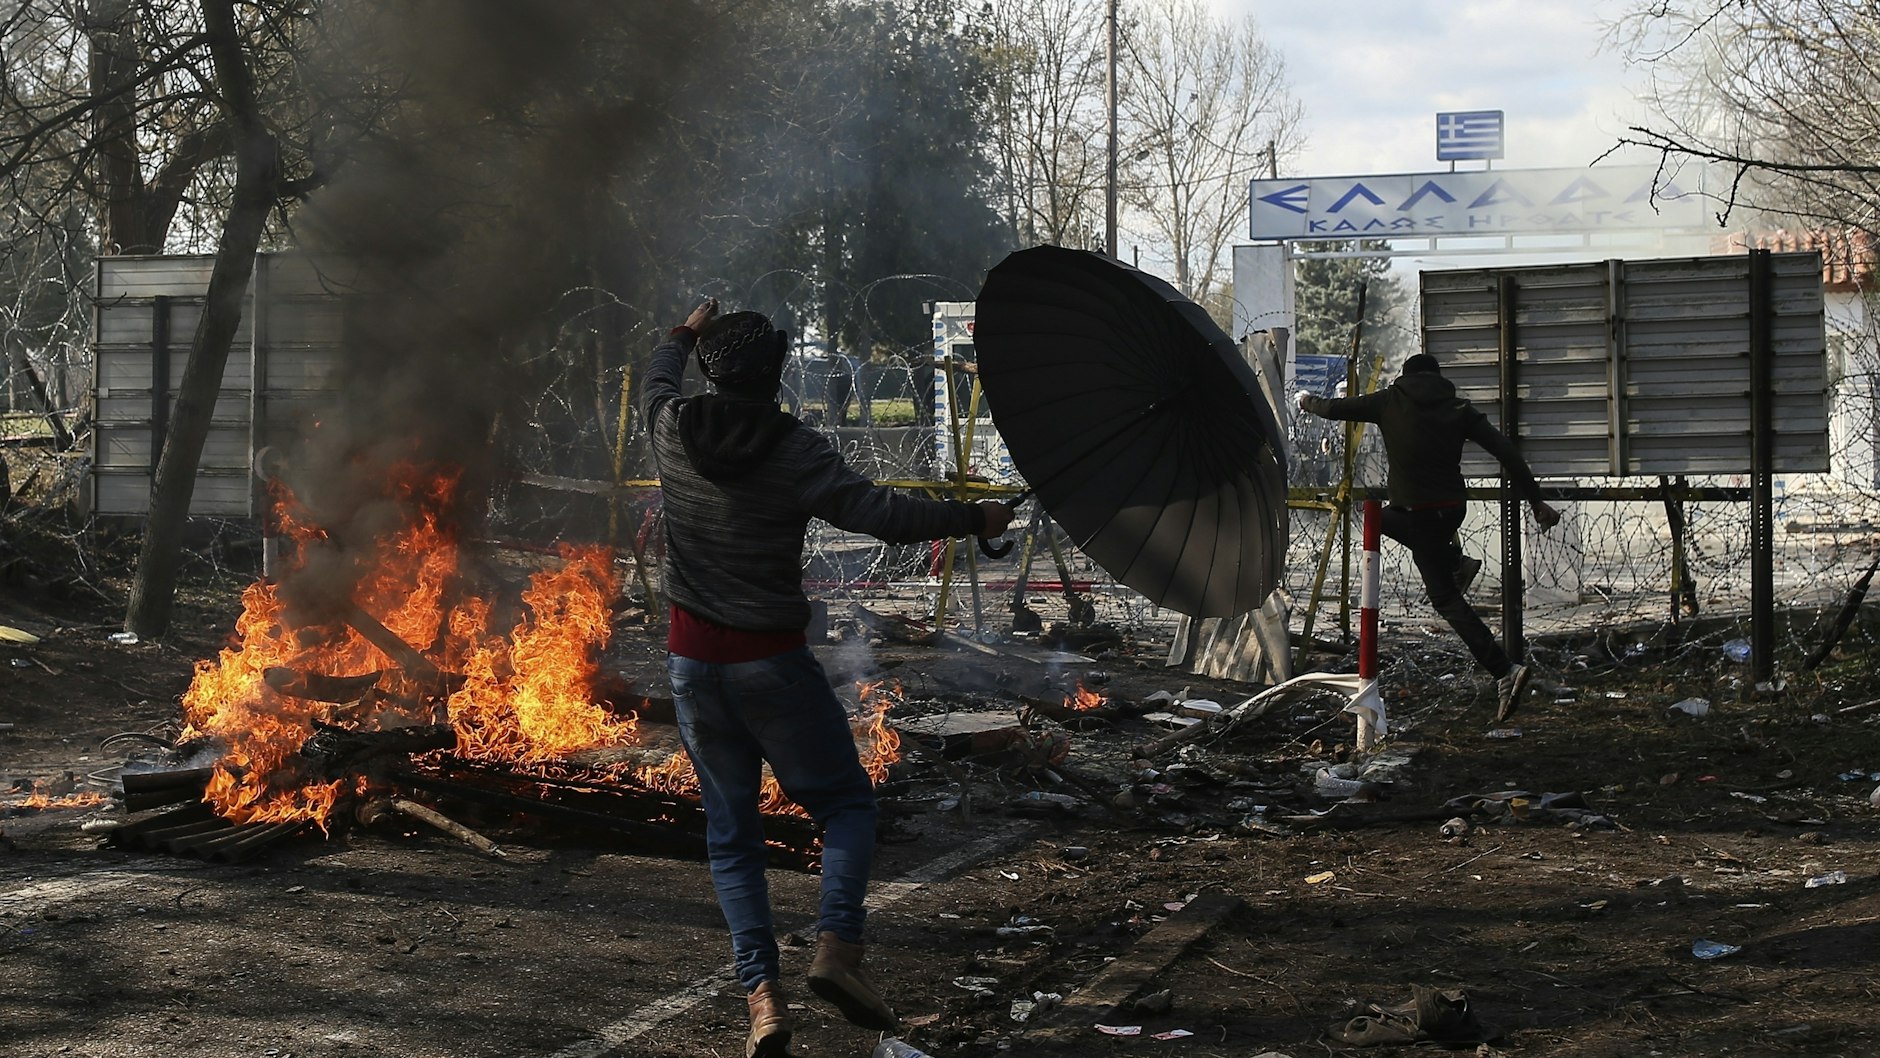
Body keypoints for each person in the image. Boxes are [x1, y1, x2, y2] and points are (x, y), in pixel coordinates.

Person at [642, 299, 1012, 1058]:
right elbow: (882, 515)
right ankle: (837, 953)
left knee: (732, 836)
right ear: (778, 373)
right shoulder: (796, 449)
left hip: (691, 666)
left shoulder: (669, 426)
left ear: (710, 369)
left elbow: (655, 374)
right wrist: (976, 519)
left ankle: (763, 1002)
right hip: (770, 662)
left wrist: (686, 330)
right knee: (844, 805)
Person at [1297, 352, 1560, 723]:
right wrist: (1536, 502)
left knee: (1446, 599)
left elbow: (1336, 408)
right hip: (1450, 508)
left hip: (1419, 514)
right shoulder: (1458, 408)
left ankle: (1504, 670)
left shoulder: (1390, 400)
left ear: (1405, 377)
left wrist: (1307, 402)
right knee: (1381, 518)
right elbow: (1507, 453)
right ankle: (1457, 562)